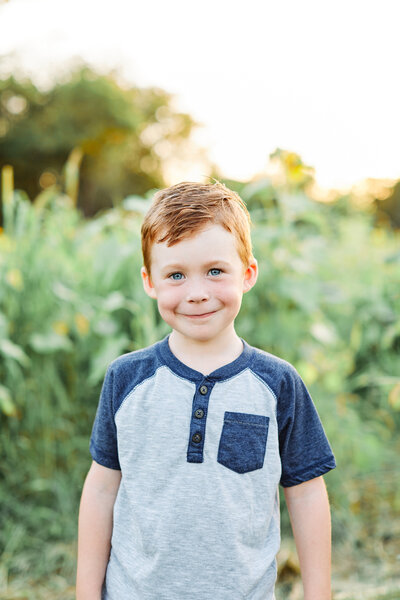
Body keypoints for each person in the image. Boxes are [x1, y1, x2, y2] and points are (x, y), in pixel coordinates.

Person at [76, 181, 336, 600]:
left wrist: (318, 594)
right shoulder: (126, 379)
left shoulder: (277, 384)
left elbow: (306, 494)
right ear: (149, 281)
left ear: (248, 273)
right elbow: (102, 488)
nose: (197, 293)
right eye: (176, 275)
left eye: (215, 271)